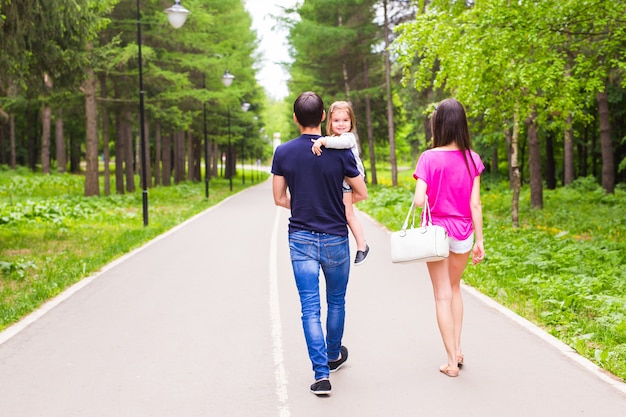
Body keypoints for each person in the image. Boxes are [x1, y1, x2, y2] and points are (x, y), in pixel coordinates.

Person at [271, 92, 368, 395]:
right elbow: (361, 192)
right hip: (336, 237)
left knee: (310, 308)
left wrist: (302, 205)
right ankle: (333, 353)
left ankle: (321, 374)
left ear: (296, 118)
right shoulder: (341, 151)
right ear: (324, 116)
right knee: (336, 301)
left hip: (300, 237)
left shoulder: (283, 152)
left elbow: (278, 198)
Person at [412, 98, 485, 377]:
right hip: (464, 232)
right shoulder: (472, 158)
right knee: (455, 289)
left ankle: (451, 363)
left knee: (442, 295)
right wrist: (480, 240)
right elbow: (475, 204)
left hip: (436, 233)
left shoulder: (429, 158)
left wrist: (428, 193)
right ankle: (457, 349)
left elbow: (420, 201)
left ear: (438, 125)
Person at [311, 101, 370, 265]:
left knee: (349, 215)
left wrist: (322, 141)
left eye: (345, 120)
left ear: (351, 122)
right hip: (343, 180)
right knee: (346, 213)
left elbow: (341, 144)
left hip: (352, 177)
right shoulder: (335, 138)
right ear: (330, 122)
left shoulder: (347, 138)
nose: (341, 124)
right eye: (337, 121)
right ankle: (361, 244)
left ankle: (362, 245)